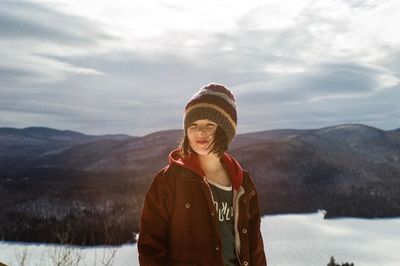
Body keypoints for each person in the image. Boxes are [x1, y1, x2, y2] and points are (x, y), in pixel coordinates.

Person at [138, 83, 267, 266]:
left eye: (209, 124)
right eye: (193, 125)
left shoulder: (243, 182)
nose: (200, 131)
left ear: (225, 131)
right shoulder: (168, 181)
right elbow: (150, 246)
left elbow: (254, 246)